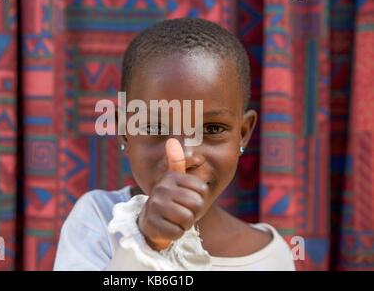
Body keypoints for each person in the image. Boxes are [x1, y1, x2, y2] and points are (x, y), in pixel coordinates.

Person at [54, 18, 295, 271]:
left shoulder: (271, 256)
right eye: (156, 128)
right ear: (125, 130)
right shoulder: (98, 220)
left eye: (212, 129)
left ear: (243, 135)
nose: (185, 155)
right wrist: (145, 243)